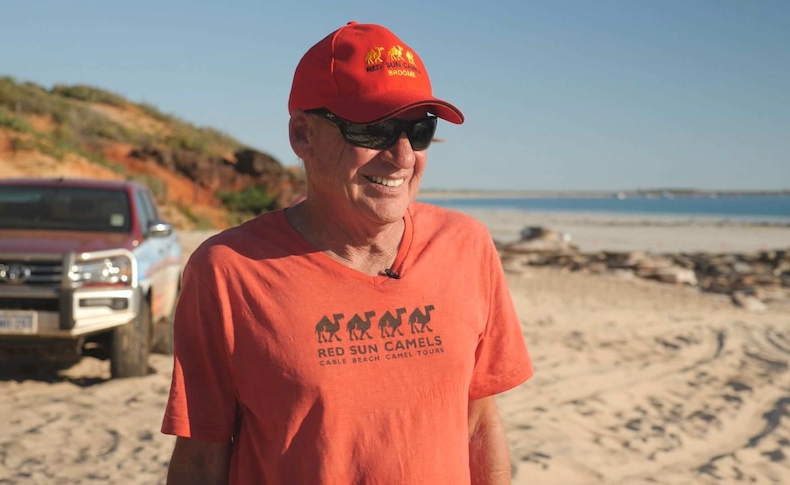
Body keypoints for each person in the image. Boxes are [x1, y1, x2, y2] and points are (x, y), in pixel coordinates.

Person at [161, 21, 533, 484]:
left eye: (419, 130)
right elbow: (200, 456)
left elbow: (479, 422)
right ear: (303, 136)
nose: (401, 156)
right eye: (375, 130)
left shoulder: (466, 246)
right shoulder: (229, 270)